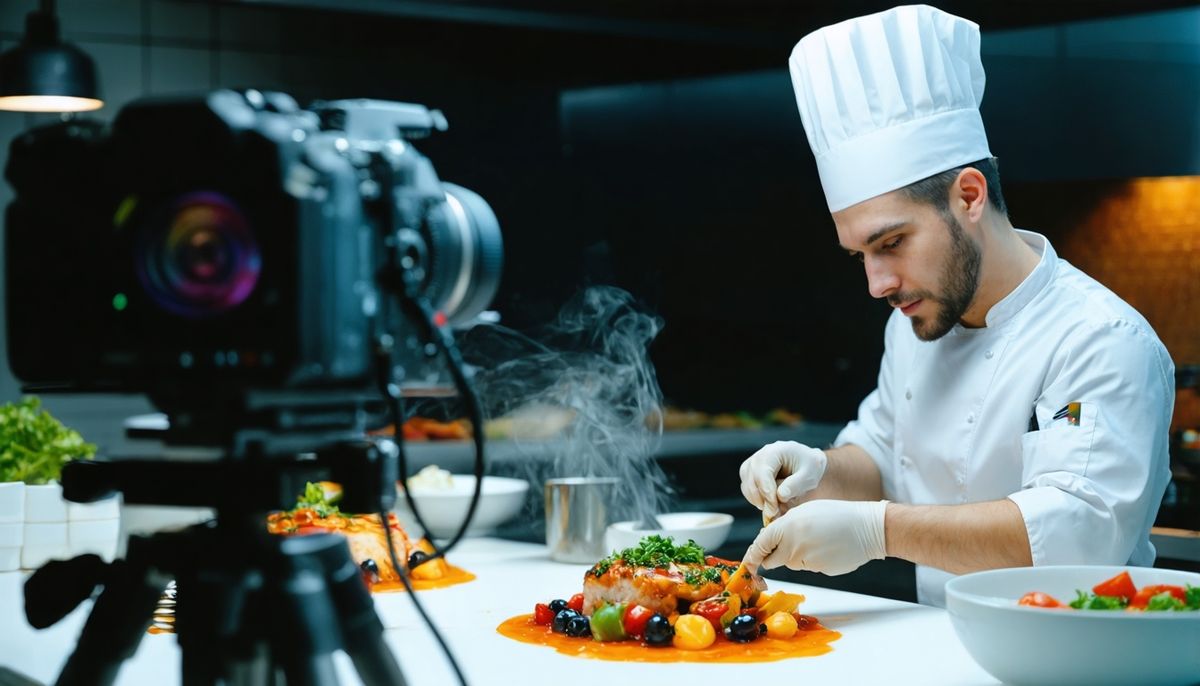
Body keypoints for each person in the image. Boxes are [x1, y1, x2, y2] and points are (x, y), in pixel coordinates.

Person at [738, 4, 1174, 607]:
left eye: (892, 243)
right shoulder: (915, 319)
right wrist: (814, 472)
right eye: (859, 254)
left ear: (968, 196)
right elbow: (883, 458)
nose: (877, 283)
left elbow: (1077, 531)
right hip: (938, 646)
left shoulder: (1101, 338)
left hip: (1077, 659)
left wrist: (878, 530)